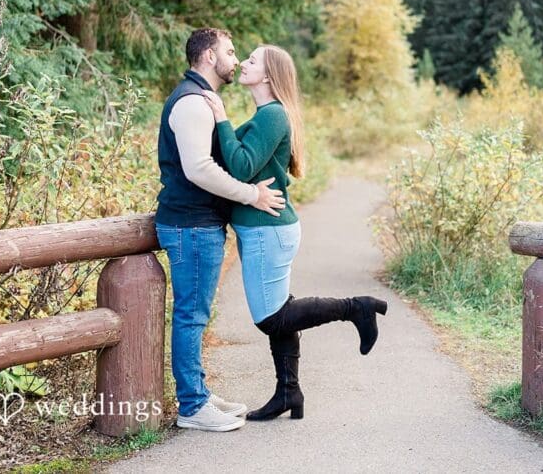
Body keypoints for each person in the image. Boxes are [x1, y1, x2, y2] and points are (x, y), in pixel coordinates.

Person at [202, 44, 388, 421]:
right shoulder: (265, 115)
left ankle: (357, 308)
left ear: (269, 76)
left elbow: (240, 165)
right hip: (268, 230)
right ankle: (289, 392)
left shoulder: (272, 116)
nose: (243, 63)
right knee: (281, 309)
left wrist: (220, 116)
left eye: (252, 60)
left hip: (267, 232)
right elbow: (231, 154)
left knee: (272, 318)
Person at [155, 28, 287, 432]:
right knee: (192, 316)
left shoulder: (202, 100)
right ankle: (193, 407)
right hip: (190, 225)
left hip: (197, 224)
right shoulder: (192, 103)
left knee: (196, 314)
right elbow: (199, 169)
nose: (235, 60)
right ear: (210, 56)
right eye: (230, 52)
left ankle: (199, 393)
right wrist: (250, 195)